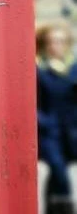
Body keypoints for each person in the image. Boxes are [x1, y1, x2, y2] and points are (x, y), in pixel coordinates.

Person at [37, 23, 77, 214]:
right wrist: (44, 122)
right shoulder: (40, 70)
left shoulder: (73, 69)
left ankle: (53, 208)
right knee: (58, 170)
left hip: (70, 131)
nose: (56, 46)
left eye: (60, 41)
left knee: (59, 174)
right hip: (49, 132)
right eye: (51, 42)